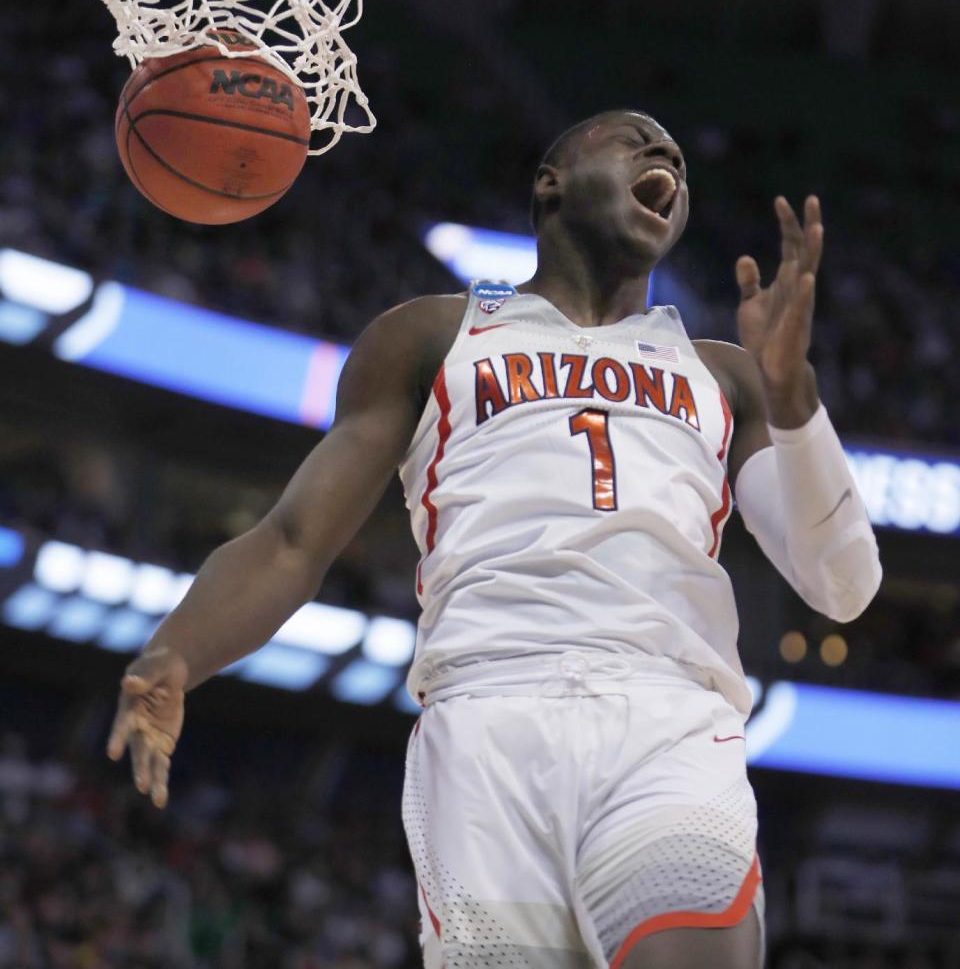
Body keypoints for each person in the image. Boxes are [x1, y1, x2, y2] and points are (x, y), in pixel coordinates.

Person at [107, 109, 883, 969]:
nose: (665, 153)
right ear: (551, 179)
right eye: (632, 137)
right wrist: (179, 649)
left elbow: (841, 583)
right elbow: (293, 540)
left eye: (674, 152)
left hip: (667, 717)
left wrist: (794, 403)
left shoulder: (725, 374)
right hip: (485, 724)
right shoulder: (432, 337)